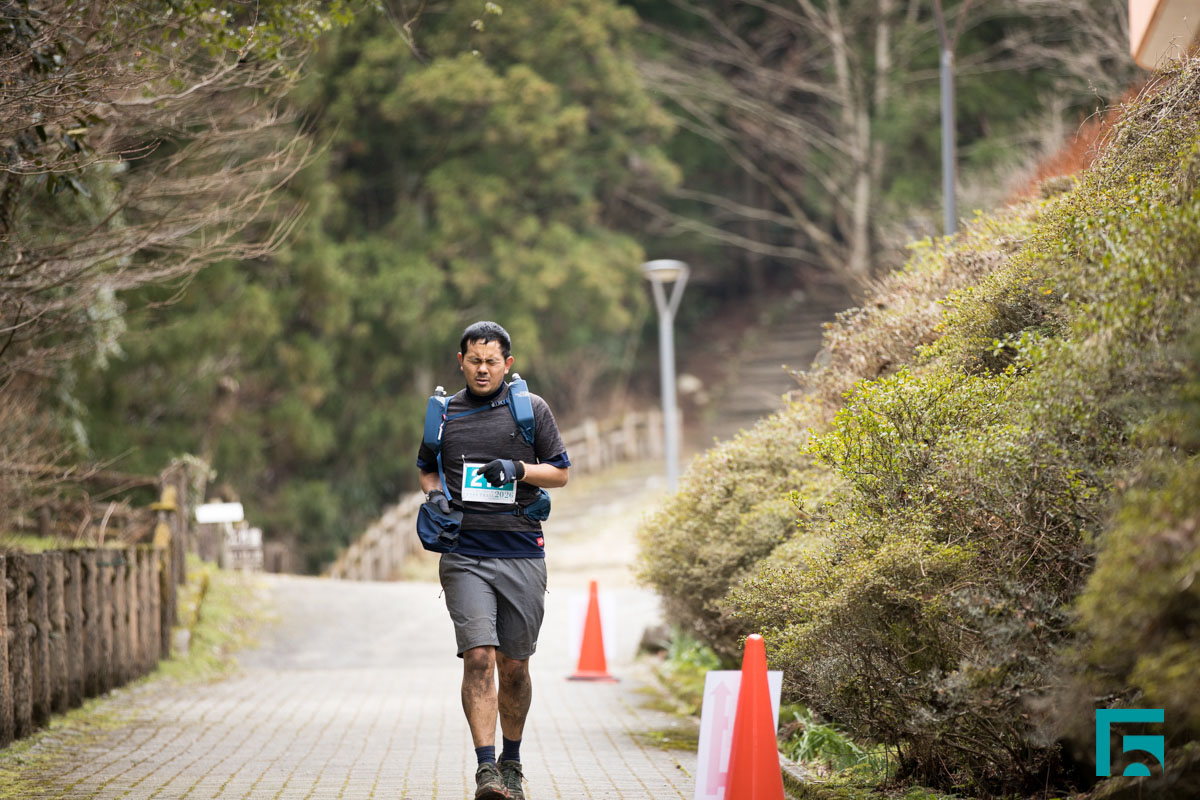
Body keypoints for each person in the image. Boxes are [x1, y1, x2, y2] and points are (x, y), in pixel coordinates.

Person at [417, 321, 570, 800]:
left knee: (515, 665)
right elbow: (426, 469)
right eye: (474, 360)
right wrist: (435, 497)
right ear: (460, 361)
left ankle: (512, 762)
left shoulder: (531, 409)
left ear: (507, 363)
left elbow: (560, 473)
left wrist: (519, 469)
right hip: (464, 555)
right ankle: (486, 770)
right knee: (479, 657)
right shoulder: (444, 414)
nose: (482, 369)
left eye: (491, 361)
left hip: (521, 552)